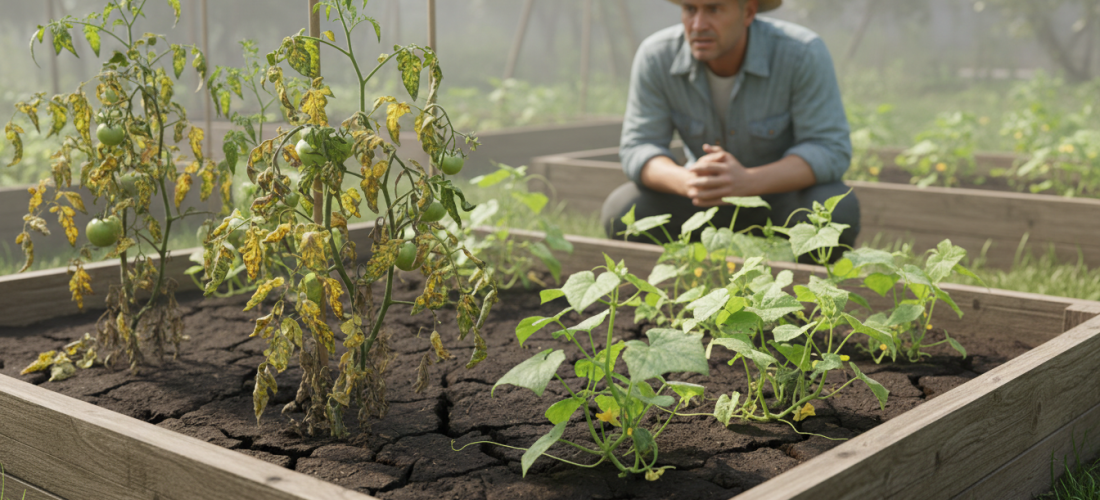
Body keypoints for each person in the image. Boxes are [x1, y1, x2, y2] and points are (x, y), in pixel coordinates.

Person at [601, 0, 859, 251]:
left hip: (778, 196)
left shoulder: (802, 52)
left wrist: (748, 181)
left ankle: (801, 288)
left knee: (835, 211)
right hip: (699, 200)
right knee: (622, 210)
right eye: (690, 9)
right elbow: (639, 146)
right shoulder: (656, 56)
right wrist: (688, 182)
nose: (698, 24)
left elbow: (829, 148)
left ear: (748, 12)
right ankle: (679, 286)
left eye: (713, 8)